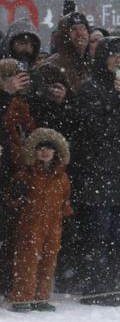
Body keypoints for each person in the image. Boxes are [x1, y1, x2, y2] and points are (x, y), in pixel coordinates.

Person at [72, 36, 120, 306]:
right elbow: (98, 129)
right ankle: (96, 286)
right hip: (98, 170)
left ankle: (111, 280)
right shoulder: (90, 88)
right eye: (114, 55)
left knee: (117, 232)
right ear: (102, 57)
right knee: (99, 232)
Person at [5, 128, 71, 312]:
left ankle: (41, 296)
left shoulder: (62, 177)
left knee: (48, 261)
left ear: (56, 152)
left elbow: (65, 200)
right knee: (27, 261)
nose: (44, 151)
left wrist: (67, 215)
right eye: (40, 147)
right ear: (33, 151)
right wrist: (15, 195)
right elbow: (11, 201)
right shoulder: (26, 174)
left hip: (53, 227)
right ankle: (22, 297)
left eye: (49, 148)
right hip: (30, 225)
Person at [39, 12, 92, 94]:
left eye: (82, 28)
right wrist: (64, 100)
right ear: (64, 36)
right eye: (73, 29)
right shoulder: (51, 67)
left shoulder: (92, 64)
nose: (79, 33)